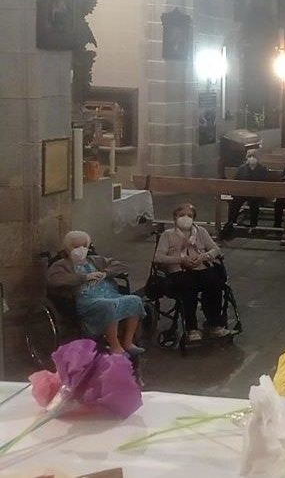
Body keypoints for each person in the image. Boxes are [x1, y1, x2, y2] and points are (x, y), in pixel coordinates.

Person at [47, 231, 145, 356]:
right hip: (87, 299)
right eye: (76, 247)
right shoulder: (61, 265)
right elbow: (54, 280)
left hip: (109, 294)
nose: (80, 250)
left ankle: (128, 342)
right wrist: (84, 277)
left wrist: (105, 273)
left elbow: (121, 266)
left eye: (84, 246)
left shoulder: (95, 260)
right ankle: (115, 346)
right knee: (110, 305)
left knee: (135, 300)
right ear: (67, 248)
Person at [157, 204, 232, 342]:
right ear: (175, 218)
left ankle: (214, 324)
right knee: (188, 286)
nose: (185, 218)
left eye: (189, 216)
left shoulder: (201, 232)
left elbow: (216, 250)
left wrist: (204, 257)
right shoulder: (167, 235)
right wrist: (181, 260)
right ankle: (192, 328)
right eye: (181, 215)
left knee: (214, 283)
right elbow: (158, 257)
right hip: (178, 271)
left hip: (200, 268)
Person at [222, 149, 270, 237]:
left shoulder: (262, 169)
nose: (252, 158)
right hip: (243, 193)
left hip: (256, 194)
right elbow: (237, 182)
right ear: (247, 158)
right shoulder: (242, 168)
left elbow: (264, 183)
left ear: (257, 158)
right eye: (250, 156)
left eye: (254, 156)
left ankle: (253, 225)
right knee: (234, 202)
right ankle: (231, 222)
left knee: (254, 203)